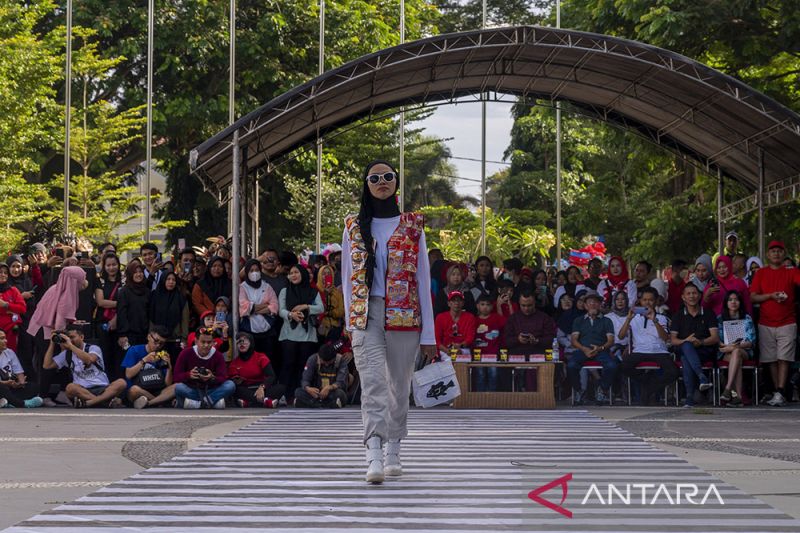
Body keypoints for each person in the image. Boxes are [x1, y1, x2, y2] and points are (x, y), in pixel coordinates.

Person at [341, 160, 436, 484]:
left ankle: (394, 446)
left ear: (396, 182)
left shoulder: (413, 226)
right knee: (373, 384)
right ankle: (374, 452)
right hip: (366, 315)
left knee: (399, 385)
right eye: (375, 178)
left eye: (388, 177)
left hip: (406, 315)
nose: (382, 182)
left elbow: (423, 280)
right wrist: (350, 322)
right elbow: (347, 277)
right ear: (366, 184)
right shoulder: (353, 225)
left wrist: (430, 334)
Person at [750, 240, 800, 407]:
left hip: (787, 321)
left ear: (783, 253)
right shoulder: (761, 273)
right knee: (770, 359)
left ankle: (780, 390)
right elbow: (753, 297)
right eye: (773, 251)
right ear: (768, 255)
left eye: (779, 250)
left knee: (784, 358)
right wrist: (771, 296)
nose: (776, 253)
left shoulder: (791, 272)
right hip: (765, 322)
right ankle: (776, 391)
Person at [620, 286, 680, 405]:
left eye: (651, 300)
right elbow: (621, 336)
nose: (647, 302)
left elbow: (665, 338)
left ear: (656, 301)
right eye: (644, 300)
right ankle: (647, 380)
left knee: (674, 372)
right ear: (640, 301)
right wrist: (628, 319)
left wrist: (654, 320)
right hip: (639, 351)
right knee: (622, 367)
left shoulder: (662, 318)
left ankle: (648, 387)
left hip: (659, 351)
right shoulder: (633, 317)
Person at [43, 324, 126, 408]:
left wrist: (70, 346)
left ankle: (90, 403)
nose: (70, 340)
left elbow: (89, 360)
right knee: (70, 388)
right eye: (68, 338)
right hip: (82, 390)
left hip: (102, 388)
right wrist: (52, 343)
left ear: (81, 337)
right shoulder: (67, 354)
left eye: (72, 337)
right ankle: (104, 402)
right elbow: (47, 365)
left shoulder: (93, 348)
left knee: (121, 383)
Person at [278, 264, 324, 403]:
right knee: (288, 364)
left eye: (296, 272)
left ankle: (301, 395)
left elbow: (321, 308)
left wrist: (306, 307)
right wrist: (291, 315)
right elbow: (281, 310)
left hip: (307, 334)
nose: (293, 275)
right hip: (288, 333)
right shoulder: (285, 291)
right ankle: (284, 394)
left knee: (303, 365)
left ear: (303, 274)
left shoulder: (313, 292)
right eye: (291, 273)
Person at [670, 283, 719, 407]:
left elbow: (715, 338)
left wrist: (700, 342)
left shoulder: (708, 313)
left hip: (704, 351)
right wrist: (686, 340)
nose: (692, 296)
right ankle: (701, 377)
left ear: (700, 295)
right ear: (683, 297)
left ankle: (689, 398)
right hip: (684, 348)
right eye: (688, 293)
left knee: (685, 358)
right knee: (686, 347)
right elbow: (673, 340)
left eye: (694, 293)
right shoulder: (678, 315)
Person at [568, 290, 617, 405]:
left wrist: (600, 348)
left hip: (601, 351)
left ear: (600, 305)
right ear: (585, 305)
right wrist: (585, 349)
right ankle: (579, 390)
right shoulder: (579, 320)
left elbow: (610, 341)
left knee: (612, 366)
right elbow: (574, 340)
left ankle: (602, 389)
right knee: (571, 365)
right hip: (583, 350)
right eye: (590, 302)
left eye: (596, 302)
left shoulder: (607, 321)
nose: (593, 304)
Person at [173, 327, 235, 408]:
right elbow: (176, 376)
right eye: (203, 342)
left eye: (209, 342)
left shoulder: (218, 355)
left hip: (211, 389)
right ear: (196, 341)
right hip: (193, 389)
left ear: (213, 342)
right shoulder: (185, 353)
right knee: (178, 387)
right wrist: (189, 375)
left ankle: (200, 403)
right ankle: (212, 402)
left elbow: (223, 377)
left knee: (230, 385)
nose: (206, 345)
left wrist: (212, 377)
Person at [121, 326, 176, 409]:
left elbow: (167, 384)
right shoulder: (134, 350)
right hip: (139, 390)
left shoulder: (162, 355)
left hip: (157, 390)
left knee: (176, 386)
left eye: (161, 343)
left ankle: (150, 403)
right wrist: (144, 360)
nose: (158, 345)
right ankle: (161, 402)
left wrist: (169, 367)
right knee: (134, 390)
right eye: (156, 341)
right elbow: (128, 374)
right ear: (149, 337)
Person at [717, 290, 756, 406]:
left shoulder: (746, 318)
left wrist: (733, 346)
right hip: (726, 351)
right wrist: (728, 347)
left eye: (736, 299)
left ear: (740, 302)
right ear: (726, 303)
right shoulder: (720, 318)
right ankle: (738, 397)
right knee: (736, 357)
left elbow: (750, 342)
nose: (733, 302)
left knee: (737, 351)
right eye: (730, 300)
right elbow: (718, 341)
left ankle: (728, 389)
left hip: (744, 350)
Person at [228, 331, 285, 408]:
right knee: (234, 389)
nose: (242, 343)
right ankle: (266, 401)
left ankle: (249, 403)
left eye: (245, 341)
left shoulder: (261, 357)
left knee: (281, 387)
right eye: (239, 341)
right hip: (247, 389)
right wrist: (236, 380)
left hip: (263, 388)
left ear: (251, 343)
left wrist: (262, 388)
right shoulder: (234, 363)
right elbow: (233, 379)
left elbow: (271, 376)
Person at [239, 258, 280, 354]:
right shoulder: (242, 287)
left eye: (257, 270)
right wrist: (265, 306)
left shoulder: (267, 286)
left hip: (267, 332)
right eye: (251, 270)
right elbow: (244, 306)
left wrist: (253, 309)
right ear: (247, 272)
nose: (255, 273)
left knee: (267, 358)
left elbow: (274, 306)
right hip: (248, 331)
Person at [294, 342, 349, 408]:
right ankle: (328, 405)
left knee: (340, 394)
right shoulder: (312, 359)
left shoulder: (340, 360)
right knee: (298, 392)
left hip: (332, 392)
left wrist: (329, 387)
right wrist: (308, 388)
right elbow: (305, 379)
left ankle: (310, 404)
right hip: (315, 392)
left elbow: (341, 382)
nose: (326, 365)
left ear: (334, 358)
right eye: (324, 362)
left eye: (329, 362)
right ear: (319, 356)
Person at [95, 254, 122, 375]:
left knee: (118, 354)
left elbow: (128, 303)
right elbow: (101, 302)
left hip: (120, 323)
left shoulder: (124, 280)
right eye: (108, 265)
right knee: (105, 354)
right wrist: (119, 303)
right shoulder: (100, 281)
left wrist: (115, 319)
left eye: (114, 265)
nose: (112, 268)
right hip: (102, 323)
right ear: (104, 266)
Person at [0, 330, 43, 408]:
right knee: (2, 388)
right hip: (2, 386)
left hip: (11, 387)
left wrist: (20, 383)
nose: (5, 341)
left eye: (5, 338)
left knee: (34, 387)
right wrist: (5, 383)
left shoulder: (9, 352)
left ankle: (8, 402)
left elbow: (19, 372)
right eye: (2, 338)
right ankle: (23, 404)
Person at [149, 272, 190, 353]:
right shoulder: (155, 296)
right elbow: (151, 317)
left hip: (175, 340)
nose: (171, 282)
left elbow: (185, 319)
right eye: (168, 279)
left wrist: (184, 337)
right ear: (163, 280)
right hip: (157, 340)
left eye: (173, 280)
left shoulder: (180, 298)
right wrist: (151, 335)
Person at [505, 291, 556, 356]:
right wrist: (518, 339)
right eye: (523, 305)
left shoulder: (544, 318)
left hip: (539, 355)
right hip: (517, 356)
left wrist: (537, 341)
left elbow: (551, 340)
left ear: (535, 303)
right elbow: (507, 341)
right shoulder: (513, 318)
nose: (526, 308)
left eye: (529, 305)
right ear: (519, 303)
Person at [117, 263, 151, 355]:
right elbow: (121, 314)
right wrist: (122, 334)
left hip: (144, 334)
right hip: (129, 335)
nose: (138, 274)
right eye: (135, 272)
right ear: (130, 274)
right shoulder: (124, 291)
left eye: (140, 272)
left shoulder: (147, 291)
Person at [0, 262, 27, 353]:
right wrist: (10, 310)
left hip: (11, 332)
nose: (3, 275)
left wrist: (6, 305)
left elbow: (22, 308)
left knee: (10, 355)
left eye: (5, 273)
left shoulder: (13, 290)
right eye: (0, 272)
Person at [316, 264, 344, 342]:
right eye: (323, 274)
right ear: (319, 275)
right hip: (320, 328)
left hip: (335, 328)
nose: (326, 276)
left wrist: (330, 312)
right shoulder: (315, 290)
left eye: (329, 274)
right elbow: (317, 310)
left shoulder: (337, 292)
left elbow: (341, 312)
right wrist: (325, 294)